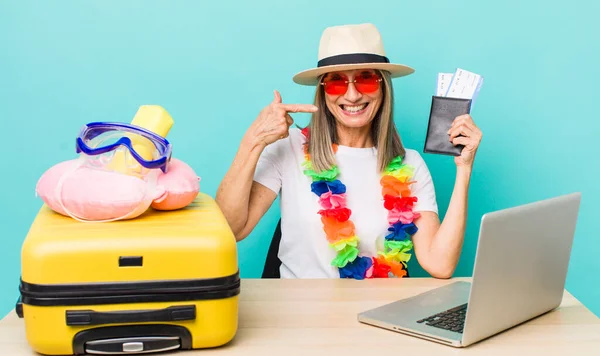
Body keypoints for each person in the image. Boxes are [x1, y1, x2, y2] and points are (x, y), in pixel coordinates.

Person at [216, 23, 483, 280]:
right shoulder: (290, 149)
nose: (352, 95)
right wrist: (254, 140)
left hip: (379, 316)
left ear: (383, 88)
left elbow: (440, 264)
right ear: (323, 91)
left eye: (366, 79)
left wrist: (464, 168)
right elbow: (232, 228)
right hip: (302, 316)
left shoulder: (409, 164)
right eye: (336, 82)